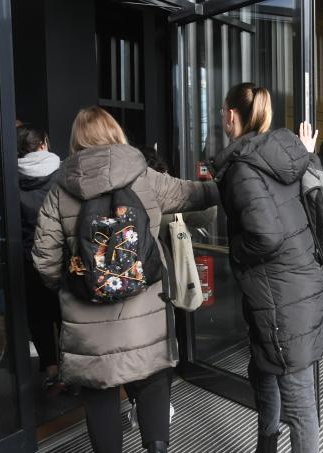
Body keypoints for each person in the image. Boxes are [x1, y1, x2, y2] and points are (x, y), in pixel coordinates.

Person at [33, 106, 219, 453]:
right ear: (115, 132)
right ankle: (158, 447)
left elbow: (44, 258)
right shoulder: (144, 177)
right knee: (152, 378)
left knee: (99, 392)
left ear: (77, 140)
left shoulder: (59, 189)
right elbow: (197, 194)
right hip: (144, 310)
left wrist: (71, 285)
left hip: (88, 320)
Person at [212, 83, 323, 453]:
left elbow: (266, 236)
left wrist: (234, 251)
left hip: (282, 296)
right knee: (263, 370)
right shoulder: (284, 155)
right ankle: (267, 446)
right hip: (295, 284)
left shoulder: (244, 169)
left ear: (230, 115)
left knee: (298, 403)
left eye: (222, 112)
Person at [16, 124, 65, 393]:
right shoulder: (63, 173)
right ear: (44, 143)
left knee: (39, 316)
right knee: (66, 314)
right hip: (61, 255)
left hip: (28, 258)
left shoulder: (13, 179)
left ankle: (51, 369)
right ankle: (70, 370)